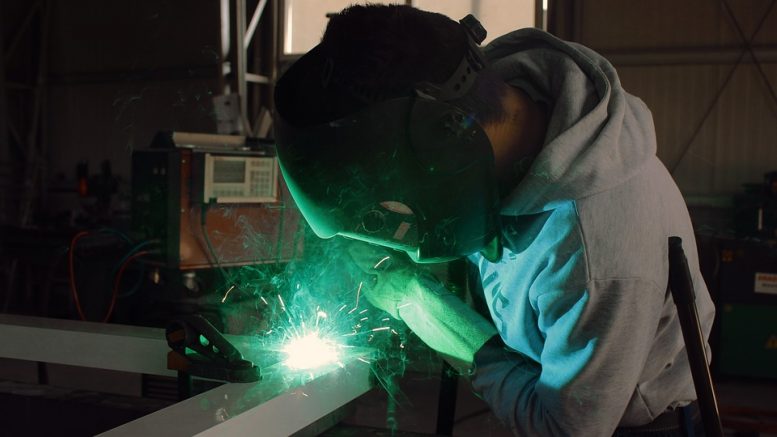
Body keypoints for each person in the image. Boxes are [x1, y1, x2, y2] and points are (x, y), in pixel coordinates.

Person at [273, 4, 715, 436]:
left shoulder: (594, 250)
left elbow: (564, 427)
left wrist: (421, 305)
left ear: (441, 151)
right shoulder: (494, 117)